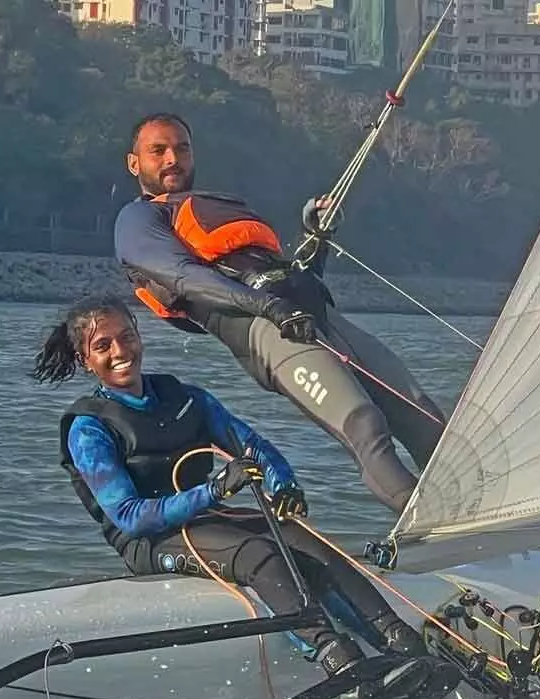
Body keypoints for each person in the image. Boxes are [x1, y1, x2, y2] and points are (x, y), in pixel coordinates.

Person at [33, 294, 460, 699]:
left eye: (126, 336)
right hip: (150, 540)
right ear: (85, 359)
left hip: (206, 518)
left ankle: (408, 650)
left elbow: (252, 445)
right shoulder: (88, 427)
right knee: (262, 555)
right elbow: (130, 516)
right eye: (103, 346)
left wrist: (283, 483)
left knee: (307, 542)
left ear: (140, 336)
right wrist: (214, 491)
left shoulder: (183, 397)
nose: (120, 351)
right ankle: (342, 663)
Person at [111, 111, 447, 517]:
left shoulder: (213, 206)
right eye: (158, 151)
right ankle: (430, 524)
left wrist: (317, 238)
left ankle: (479, 520)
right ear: (135, 163)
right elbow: (184, 278)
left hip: (316, 317)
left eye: (181, 148)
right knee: (364, 425)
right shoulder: (138, 219)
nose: (172, 159)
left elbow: (283, 278)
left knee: (423, 414)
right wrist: (270, 308)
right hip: (268, 334)